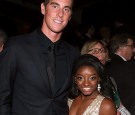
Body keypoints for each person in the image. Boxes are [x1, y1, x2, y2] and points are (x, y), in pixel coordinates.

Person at [0, 0, 80, 115]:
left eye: (66, 9)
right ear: (43, 8)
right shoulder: (16, 47)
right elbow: (2, 96)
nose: (60, 14)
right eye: (55, 6)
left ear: (70, 16)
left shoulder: (73, 54)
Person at [81, 39, 131, 115]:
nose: (101, 54)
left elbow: (120, 106)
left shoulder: (110, 79)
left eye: (102, 50)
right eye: (95, 51)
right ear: (86, 54)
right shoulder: (82, 81)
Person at [106, 33, 135, 114]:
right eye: (131, 46)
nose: (133, 49)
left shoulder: (110, 62)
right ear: (121, 47)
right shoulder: (124, 66)